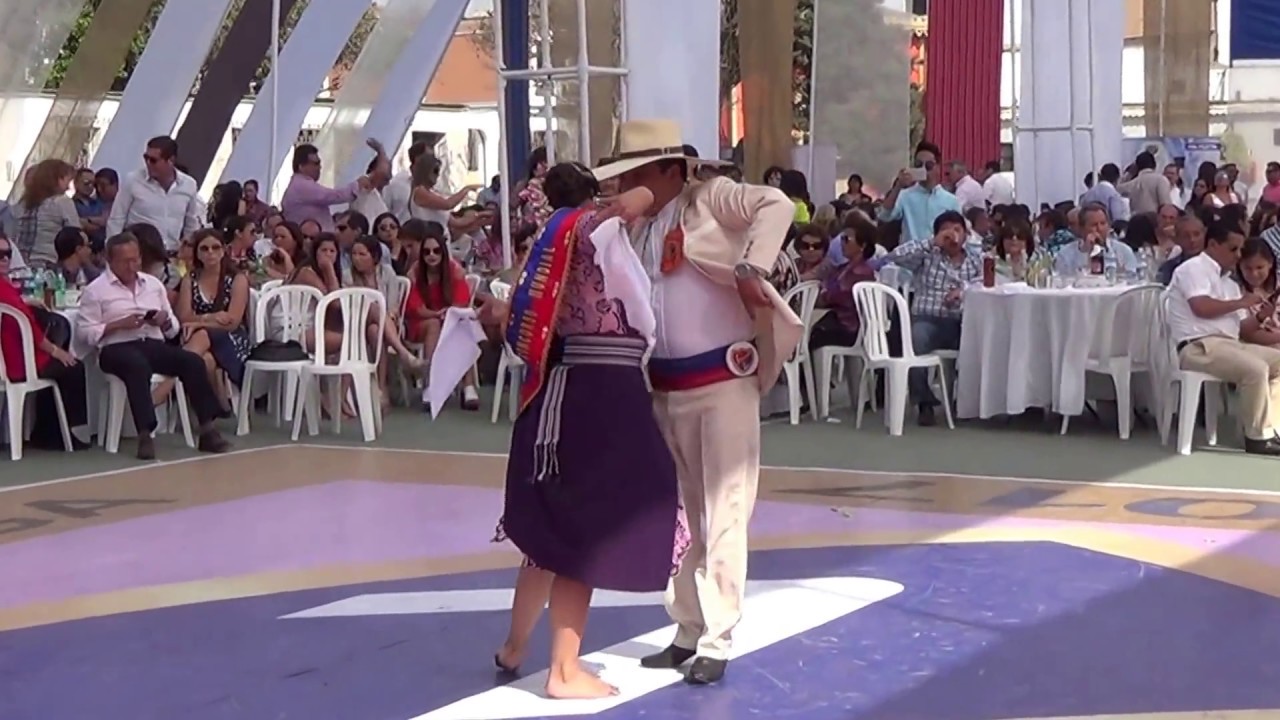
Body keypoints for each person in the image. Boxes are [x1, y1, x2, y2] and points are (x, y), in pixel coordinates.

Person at [595, 119, 801, 685]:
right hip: (664, 388)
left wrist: (752, 266)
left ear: (668, 171)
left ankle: (718, 636)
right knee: (680, 517)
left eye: (635, 173)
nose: (625, 184)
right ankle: (687, 626)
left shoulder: (711, 198)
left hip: (722, 383)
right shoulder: (635, 229)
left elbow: (777, 204)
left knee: (725, 509)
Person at [482, 162, 688, 698]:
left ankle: (515, 647)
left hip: (560, 385)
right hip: (604, 391)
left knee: (551, 531)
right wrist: (641, 193)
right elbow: (638, 205)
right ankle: (564, 670)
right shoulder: (595, 227)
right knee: (586, 530)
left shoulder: (547, 241)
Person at [75, 232, 232, 460]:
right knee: (136, 365)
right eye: (125, 261)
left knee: (192, 361)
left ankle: (207, 428)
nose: (132, 266)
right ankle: (145, 433)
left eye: (136, 259)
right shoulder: (96, 290)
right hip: (116, 347)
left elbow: (173, 330)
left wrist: (164, 321)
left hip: (151, 342)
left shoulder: (152, 285)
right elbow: (84, 333)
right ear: (110, 261)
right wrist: (117, 325)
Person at [1167, 220, 1280, 455]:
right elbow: (1201, 307)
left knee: (1277, 362)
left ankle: (1272, 428)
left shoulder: (1228, 282)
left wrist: (1260, 316)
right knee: (1255, 368)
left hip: (1229, 344)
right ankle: (1257, 438)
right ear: (1213, 245)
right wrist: (1240, 303)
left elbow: (1243, 329)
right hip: (1198, 346)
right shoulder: (1193, 268)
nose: (1238, 255)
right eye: (1233, 249)